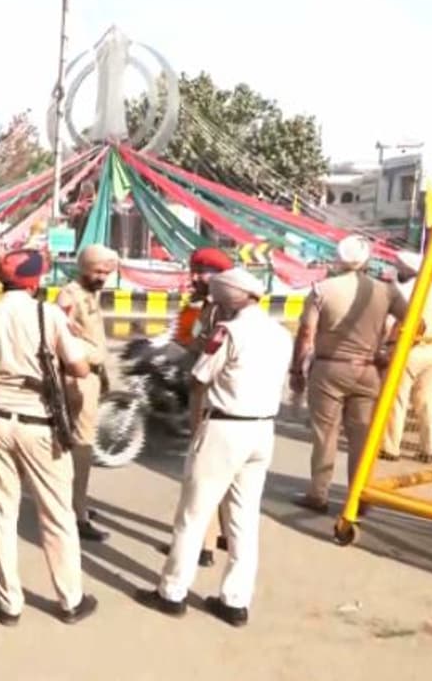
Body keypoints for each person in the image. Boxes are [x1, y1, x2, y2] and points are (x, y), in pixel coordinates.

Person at [136, 268, 292, 628]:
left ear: (228, 300)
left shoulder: (228, 332)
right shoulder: (281, 334)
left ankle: (172, 592)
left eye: (218, 300)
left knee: (193, 515)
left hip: (225, 428)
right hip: (262, 431)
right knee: (244, 518)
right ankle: (235, 601)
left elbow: (198, 377)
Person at [0, 249, 98, 627]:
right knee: (56, 514)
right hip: (40, 425)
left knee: (1, 514)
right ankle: (70, 599)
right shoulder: (48, 314)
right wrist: (75, 337)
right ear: (34, 282)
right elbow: (80, 369)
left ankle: (9, 603)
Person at [290, 235, 409, 513]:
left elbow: (307, 332)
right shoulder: (387, 291)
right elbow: (417, 323)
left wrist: (296, 369)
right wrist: (391, 349)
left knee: (325, 434)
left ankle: (318, 494)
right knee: (363, 437)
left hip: (329, 367)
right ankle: (359, 496)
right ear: (367, 259)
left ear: (338, 259)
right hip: (369, 367)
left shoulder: (322, 289)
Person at [168, 247, 236, 567]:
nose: (194, 277)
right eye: (194, 270)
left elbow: (207, 350)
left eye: (202, 272)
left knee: (204, 471)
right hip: (222, 403)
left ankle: (204, 546)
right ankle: (224, 535)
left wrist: (190, 343)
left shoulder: (222, 312)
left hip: (211, 397)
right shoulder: (210, 306)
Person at [54, 243, 117, 542]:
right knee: (81, 448)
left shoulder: (91, 293)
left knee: (82, 448)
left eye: (107, 272)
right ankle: (76, 516)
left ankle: (77, 503)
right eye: (99, 270)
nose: (103, 276)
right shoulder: (70, 295)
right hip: (76, 379)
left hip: (91, 376)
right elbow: (57, 331)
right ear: (84, 266)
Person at [382, 251, 432, 463]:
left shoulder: (407, 289)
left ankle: (391, 447)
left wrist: (387, 346)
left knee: (397, 399)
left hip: (408, 349)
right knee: (427, 401)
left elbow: (391, 323)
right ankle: (430, 448)